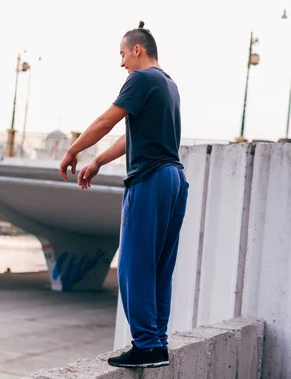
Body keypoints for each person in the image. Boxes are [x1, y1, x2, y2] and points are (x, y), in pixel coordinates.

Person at [59, 21, 188, 369]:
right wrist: (98, 160)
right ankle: (156, 342)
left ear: (137, 49)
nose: (121, 64)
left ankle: (146, 344)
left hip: (150, 178)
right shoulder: (168, 84)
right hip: (174, 178)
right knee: (159, 266)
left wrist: (73, 151)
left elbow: (106, 122)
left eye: (122, 54)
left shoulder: (142, 78)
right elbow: (133, 136)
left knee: (133, 265)